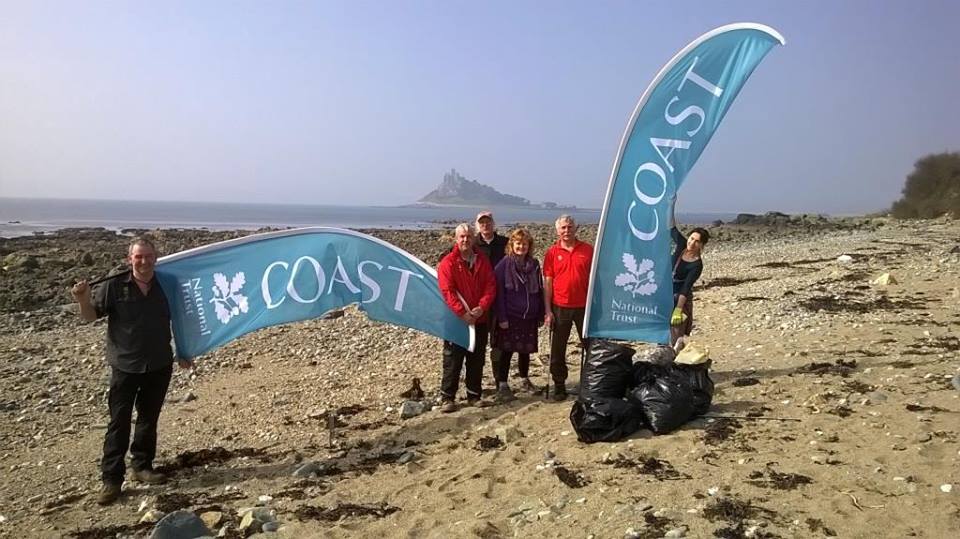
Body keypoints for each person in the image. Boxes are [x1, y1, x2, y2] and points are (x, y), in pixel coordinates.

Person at [70, 237, 192, 505]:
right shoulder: (114, 285)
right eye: (138, 257)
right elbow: (91, 316)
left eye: (148, 256)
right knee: (118, 422)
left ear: (155, 258)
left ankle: (142, 466)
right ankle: (112, 480)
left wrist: (184, 351)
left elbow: (182, 318)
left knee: (149, 418)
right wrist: (82, 298)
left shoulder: (166, 285)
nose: (144, 261)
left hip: (159, 363)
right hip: (125, 365)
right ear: (130, 259)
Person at [437, 223, 497, 413]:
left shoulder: (482, 260)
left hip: (479, 319)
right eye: (462, 236)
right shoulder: (448, 262)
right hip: (456, 321)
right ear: (456, 239)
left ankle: (474, 394)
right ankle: (448, 397)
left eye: (469, 236)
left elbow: (490, 285)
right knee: (452, 360)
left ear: (474, 238)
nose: (465, 240)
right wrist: (462, 313)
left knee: (476, 358)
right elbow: (447, 291)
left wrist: (482, 307)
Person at [542, 215, 593, 401]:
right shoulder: (552, 253)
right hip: (559, 307)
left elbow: (596, 278)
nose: (566, 230)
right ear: (557, 230)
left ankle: (591, 382)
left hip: (584, 307)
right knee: (557, 350)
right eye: (563, 227)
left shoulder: (588, 250)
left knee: (591, 347)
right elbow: (548, 283)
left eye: (570, 227)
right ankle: (559, 385)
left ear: (575, 228)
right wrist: (547, 310)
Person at [492, 228, 545, 401]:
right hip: (511, 315)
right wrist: (502, 317)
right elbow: (498, 293)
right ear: (512, 245)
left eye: (524, 244)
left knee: (525, 350)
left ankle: (524, 379)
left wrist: (540, 313)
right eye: (518, 243)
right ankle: (502, 384)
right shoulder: (504, 264)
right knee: (506, 350)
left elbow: (540, 289)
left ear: (529, 246)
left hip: (529, 315)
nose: (521, 246)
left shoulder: (535, 264)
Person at [473, 210, 509, 388]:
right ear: (477, 225)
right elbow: (449, 258)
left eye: (488, 222)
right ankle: (475, 384)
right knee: (478, 344)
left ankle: (500, 381)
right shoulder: (472, 243)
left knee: (499, 344)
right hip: (478, 300)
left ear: (493, 224)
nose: (485, 225)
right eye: (482, 223)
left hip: (500, 299)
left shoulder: (504, 243)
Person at [669, 200, 709, 346]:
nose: (692, 243)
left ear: (702, 245)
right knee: (662, 332)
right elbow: (671, 227)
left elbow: (686, 288)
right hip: (666, 294)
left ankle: (676, 363)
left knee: (676, 335)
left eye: (697, 241)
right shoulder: (681, 244)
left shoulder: (697, 265)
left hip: (680, 300)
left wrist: (678, 310)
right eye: (691, 238)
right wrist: (670, 204)